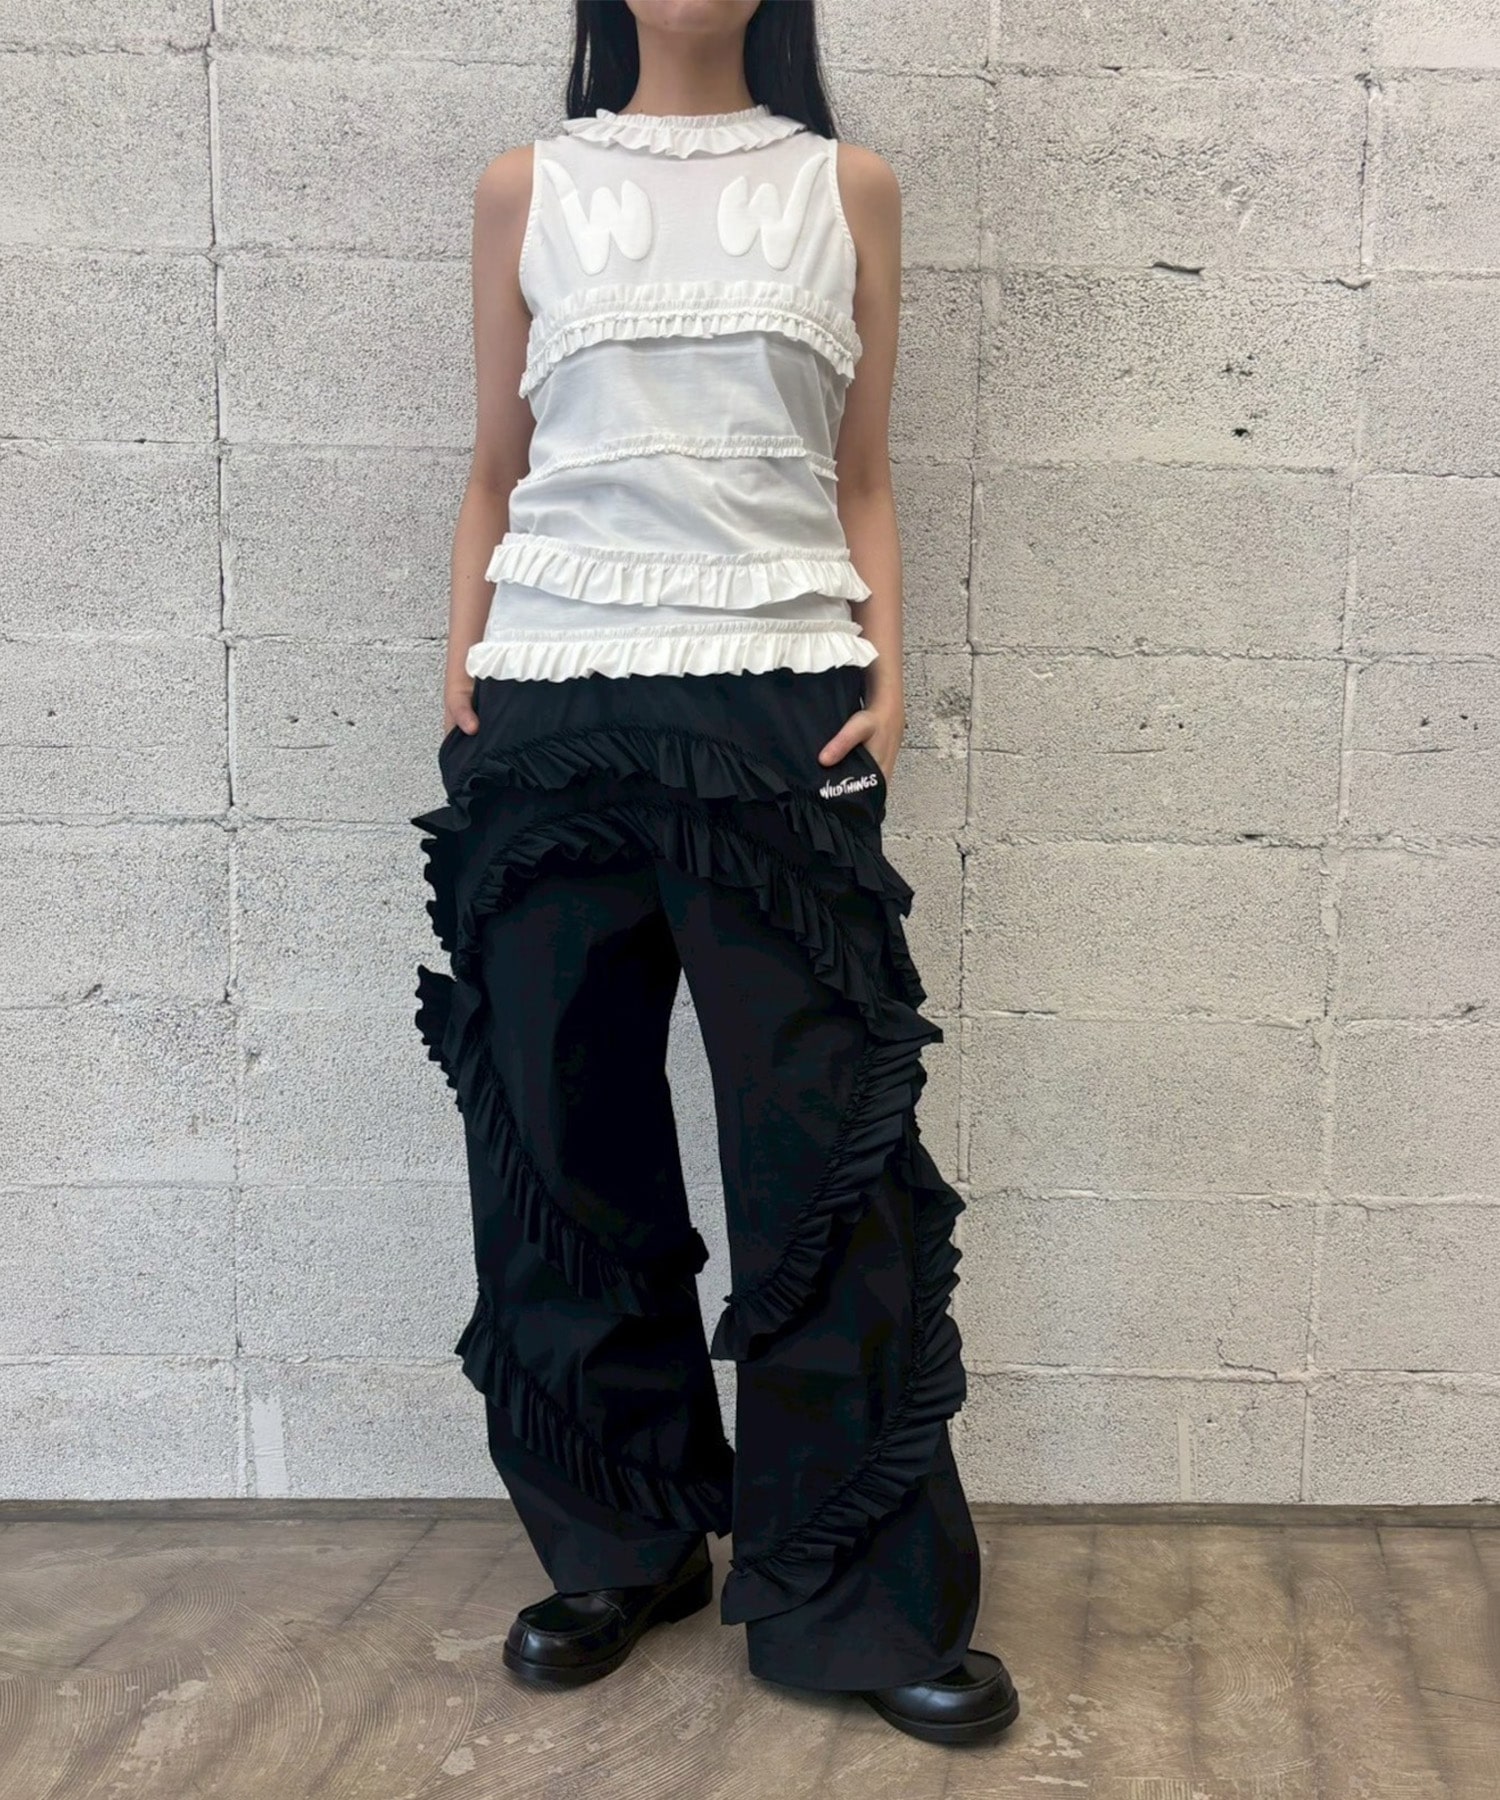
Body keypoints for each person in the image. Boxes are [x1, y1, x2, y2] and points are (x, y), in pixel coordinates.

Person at [410, 0, 1019, 1749]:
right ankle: (624, 1539)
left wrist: (887, 673)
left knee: (825, 1151)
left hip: (779, 708)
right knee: (558, 1136)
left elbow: (860, 474)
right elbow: (498, 465)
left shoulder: (849, 188)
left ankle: (852, 1587)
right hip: (549, 708)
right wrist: (460, 666)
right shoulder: (527, 187)